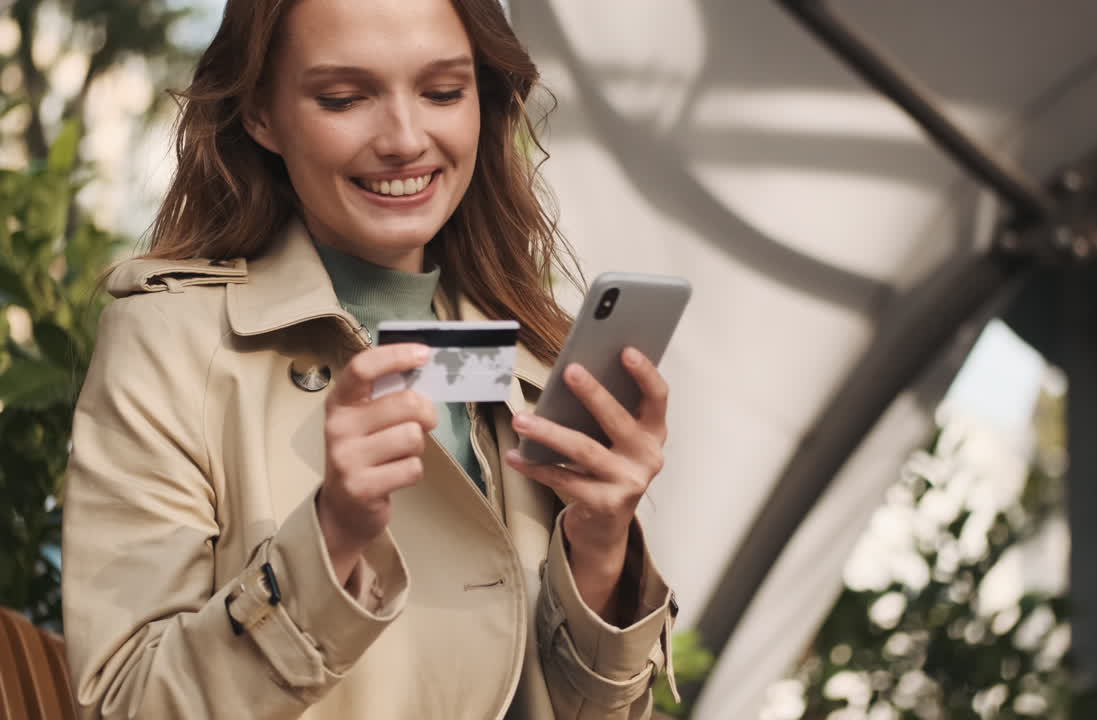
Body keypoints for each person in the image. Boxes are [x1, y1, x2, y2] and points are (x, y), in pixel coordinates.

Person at [61, 0, 678, 717]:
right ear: (261, 113)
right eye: (344, 98)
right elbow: (125, 704)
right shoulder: (171, 343)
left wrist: (602, 553)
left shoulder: (532, 355)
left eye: (444, 92)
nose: (405, 139)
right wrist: (330, 541)